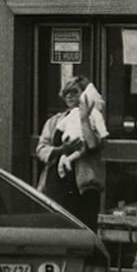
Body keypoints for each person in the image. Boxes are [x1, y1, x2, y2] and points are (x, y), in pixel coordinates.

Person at [36, 72, 108, 231]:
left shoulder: (93, 117)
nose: (69, 96)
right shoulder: (54, 121)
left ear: (84, 95)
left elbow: (93, 145)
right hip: (56, 183)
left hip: (83, 185)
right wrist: (61, 150)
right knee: (57, 227)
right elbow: (41, 149)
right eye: (66, 93)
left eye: (74, 92)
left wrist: (84, 119)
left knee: (84, 228)